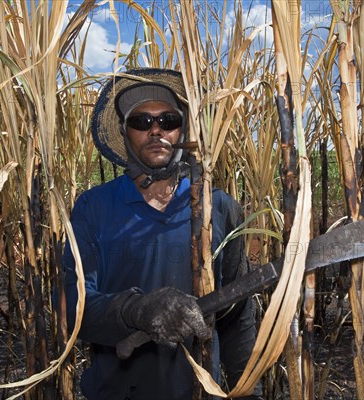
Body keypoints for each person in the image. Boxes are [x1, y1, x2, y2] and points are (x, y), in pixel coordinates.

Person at [63, 68, 262, 400]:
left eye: (168, 120)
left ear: (182, 130)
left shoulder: (220, 208)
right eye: (142, 122)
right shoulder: (94, 207)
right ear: (126, 133)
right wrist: (138, 310)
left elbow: (236, 318)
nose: (156, 131)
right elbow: (73, 308)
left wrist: (248, 393)